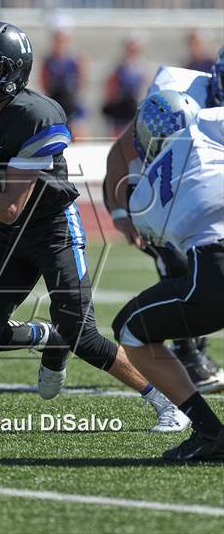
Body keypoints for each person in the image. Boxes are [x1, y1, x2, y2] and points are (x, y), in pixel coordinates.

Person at [0, 21, 189, 432]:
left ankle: (168, 402)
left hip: (51, 228)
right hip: (10, 235)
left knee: (83, 336)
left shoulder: (35, 117)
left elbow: (11, 207)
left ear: (12, 73)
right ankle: (48, 339)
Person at [104, 48, 224, 392]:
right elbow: (122, 151)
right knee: (179, 263)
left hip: (199, 187)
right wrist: (120, 212)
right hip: (149, 187)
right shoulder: (182, 92)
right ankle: (187, 354)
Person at [112, 90, 224, 461]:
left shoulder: (144, 195)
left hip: (214, 268)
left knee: (131, 329)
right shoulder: (208, 127)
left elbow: (169, 252)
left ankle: (210, 432)